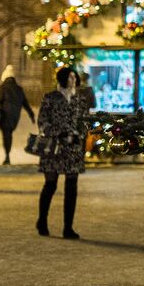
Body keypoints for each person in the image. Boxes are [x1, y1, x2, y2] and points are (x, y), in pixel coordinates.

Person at [36, 66, 87, 239]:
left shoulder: (79, 99)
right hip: (54, 148)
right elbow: (42, 121)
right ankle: (42, 220)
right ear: (63, 79)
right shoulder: (50, 98)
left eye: (75, 77)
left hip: (73, 148)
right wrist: (57, 133)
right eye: (70, 77)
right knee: (50, 185)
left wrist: (79, 135)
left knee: (71, 187)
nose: (73, 80)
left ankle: (68, 227)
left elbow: (84, 122)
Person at [0, 65, 34, 165]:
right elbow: (25, 103)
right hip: (15, 116)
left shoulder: (3, 87)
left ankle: (7, 155)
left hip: (4, 115)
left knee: (6, 135)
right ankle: (7, 155)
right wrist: (31, 115)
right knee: (9, 134)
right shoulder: (19, 89)